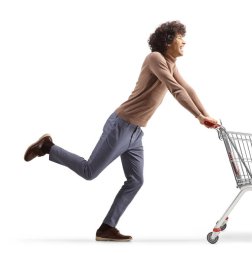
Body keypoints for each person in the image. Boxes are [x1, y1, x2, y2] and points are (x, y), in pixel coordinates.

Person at [24, 20, 218, 242]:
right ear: (167, 41)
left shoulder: (172, 64)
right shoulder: (155, 58)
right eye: (179, 37)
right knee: (90, 171)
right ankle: (48, 147)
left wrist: (205, 114)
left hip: (135, 133)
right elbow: (175, 89)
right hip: (121, 125)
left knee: (136, 180)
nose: (184, 41)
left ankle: (106, 228)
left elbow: (187, 89)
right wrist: (199, 117)